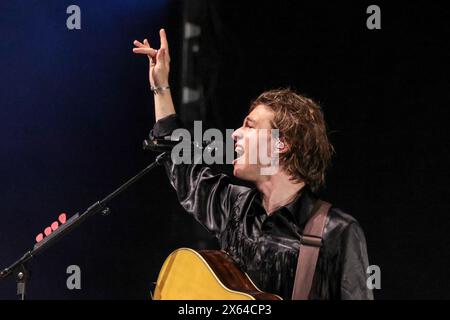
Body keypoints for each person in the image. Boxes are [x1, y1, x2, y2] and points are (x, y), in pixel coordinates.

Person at [133, 29, 373, 300]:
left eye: (249, 125)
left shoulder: (337, 232)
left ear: (282, 143)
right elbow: (182, 164)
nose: (235, 133)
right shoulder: (235, 206)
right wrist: (161, 86)